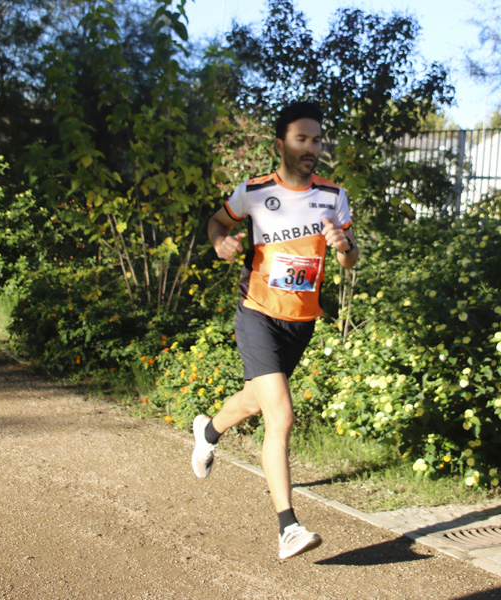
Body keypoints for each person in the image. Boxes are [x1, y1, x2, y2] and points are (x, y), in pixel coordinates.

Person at [191, 101, 360, 560]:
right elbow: (217, 221)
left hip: (301, 320)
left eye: (317, 140)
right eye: (302, 139)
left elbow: (349, 259)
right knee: (279, 416)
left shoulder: (333, 195)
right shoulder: (254, 190)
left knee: (253, 399)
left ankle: (208, 431)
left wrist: (344, 247)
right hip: (258, 312)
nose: (312, 148)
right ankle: (288, 526)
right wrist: (220, 242)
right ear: (280, 144)